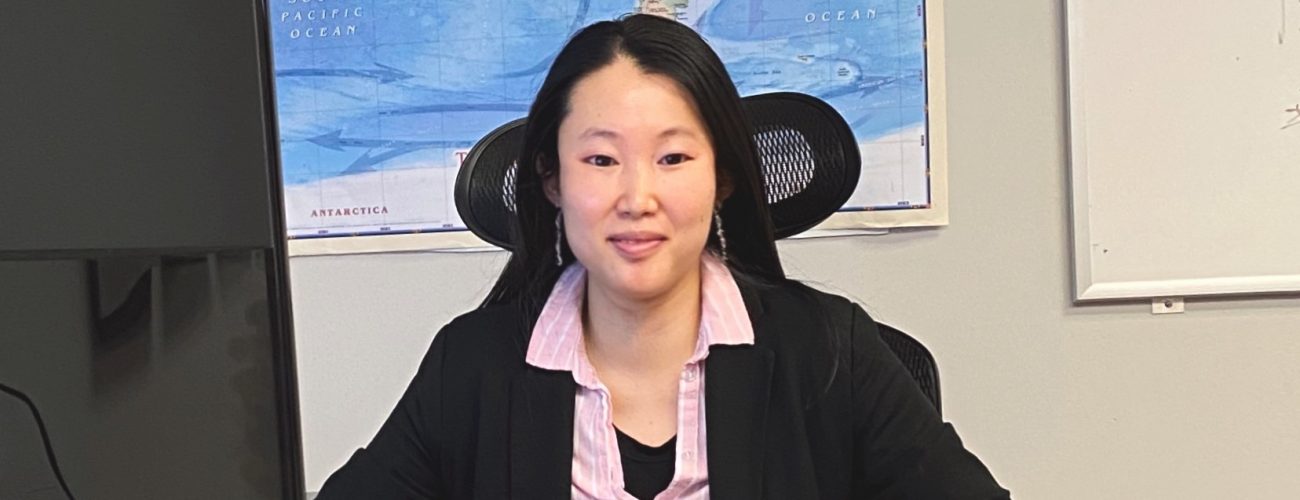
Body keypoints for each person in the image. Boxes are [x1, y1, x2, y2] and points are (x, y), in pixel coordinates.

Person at [318, 14, 1009, 499]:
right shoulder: (474, 365)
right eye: (601, 159)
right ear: (551, 179)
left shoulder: (831, 352)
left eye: (673, 158)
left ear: (723, 176)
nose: (637, 197)